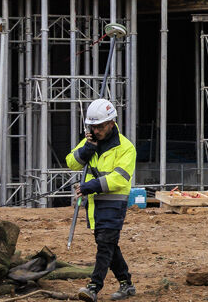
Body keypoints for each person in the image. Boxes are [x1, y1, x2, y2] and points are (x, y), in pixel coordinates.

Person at [66, 98, 137, 300]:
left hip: (114, 204)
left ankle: (93, 287)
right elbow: (71, 163)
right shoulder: (90, 141)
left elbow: (119, 178)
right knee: (108, 244)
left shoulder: (126, 148)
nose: (95, 131)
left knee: (105, 244)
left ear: (111, 123)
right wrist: (86, 150)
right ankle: (127, 284)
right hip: (94, 205)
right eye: (92, 126)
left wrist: (91, 186)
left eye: (99, 127)